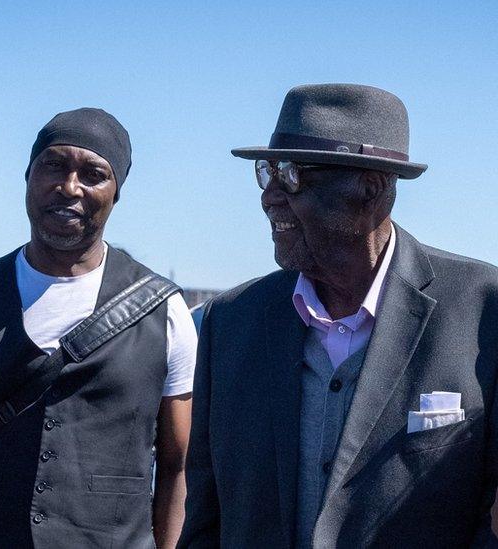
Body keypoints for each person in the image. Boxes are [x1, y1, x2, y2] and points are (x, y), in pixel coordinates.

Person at [179, 84, 498, 547]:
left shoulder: (481, 309)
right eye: (266, 171)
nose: (270, 196)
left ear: (370, 188)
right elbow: (205, 521)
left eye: (290, 174)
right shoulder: (231, 323)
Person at [0, 108, 197, 548]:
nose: (69, 187)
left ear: (117, 194)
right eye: (54, 166)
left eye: (93, 174)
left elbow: (177, 469)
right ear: (28, 176)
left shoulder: (165, 312)